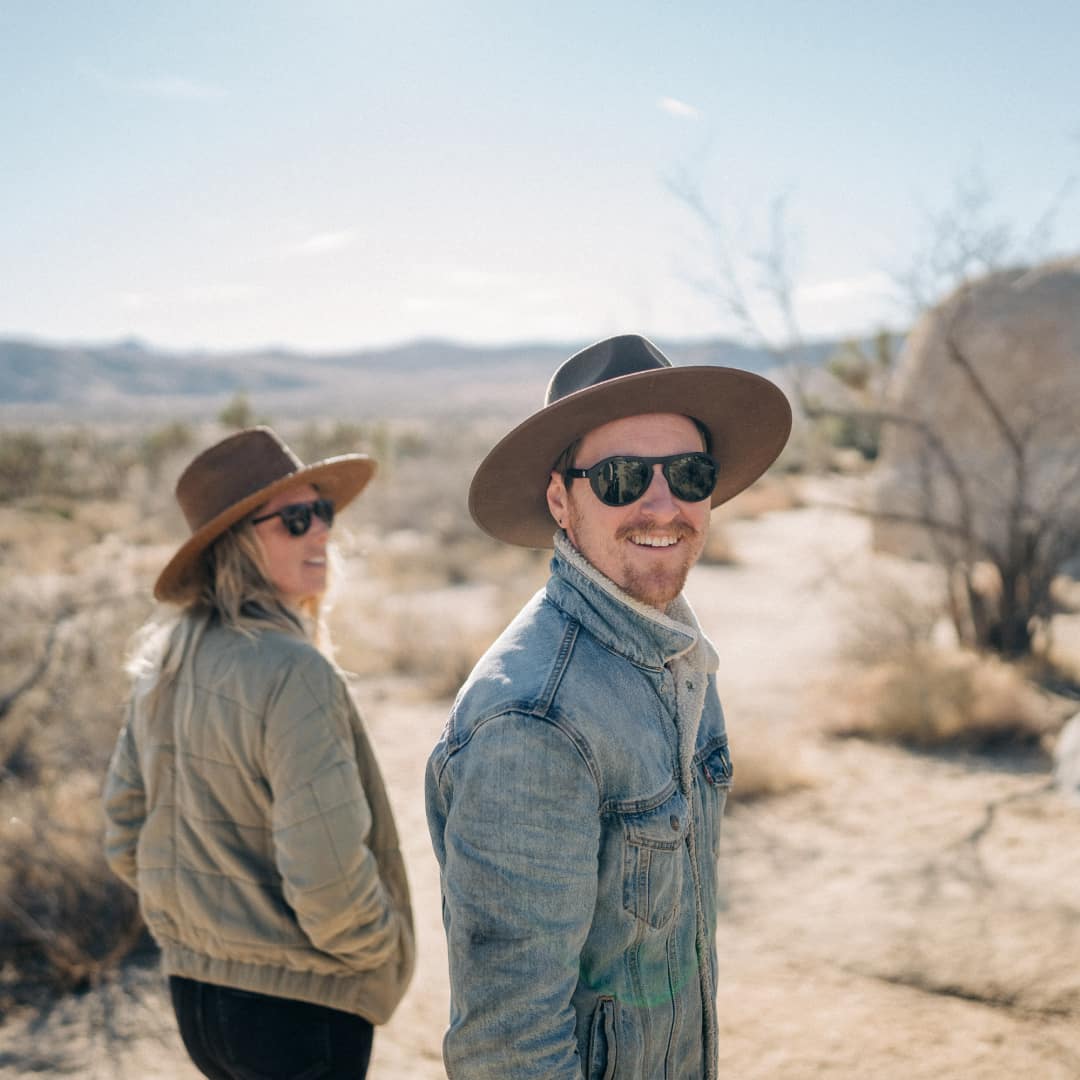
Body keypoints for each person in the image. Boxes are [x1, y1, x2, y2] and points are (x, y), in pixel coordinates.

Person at [426, 334, 791, 1079]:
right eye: (622, 478)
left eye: (689, 474)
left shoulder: (677, 654)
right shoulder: (534, 721)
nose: (664, 504)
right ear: (561, 500)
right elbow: (507, 1049)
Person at [103, 426, 414, 1080]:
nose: (321, 532)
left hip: (197, 1003)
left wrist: (203, 930)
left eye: (322, 513)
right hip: (299, 1016)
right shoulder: (293, 671)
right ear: (237, 541)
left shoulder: (166, 658)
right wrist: (378, 953)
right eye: (295, 519)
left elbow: (125, 833)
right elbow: (327, 875)